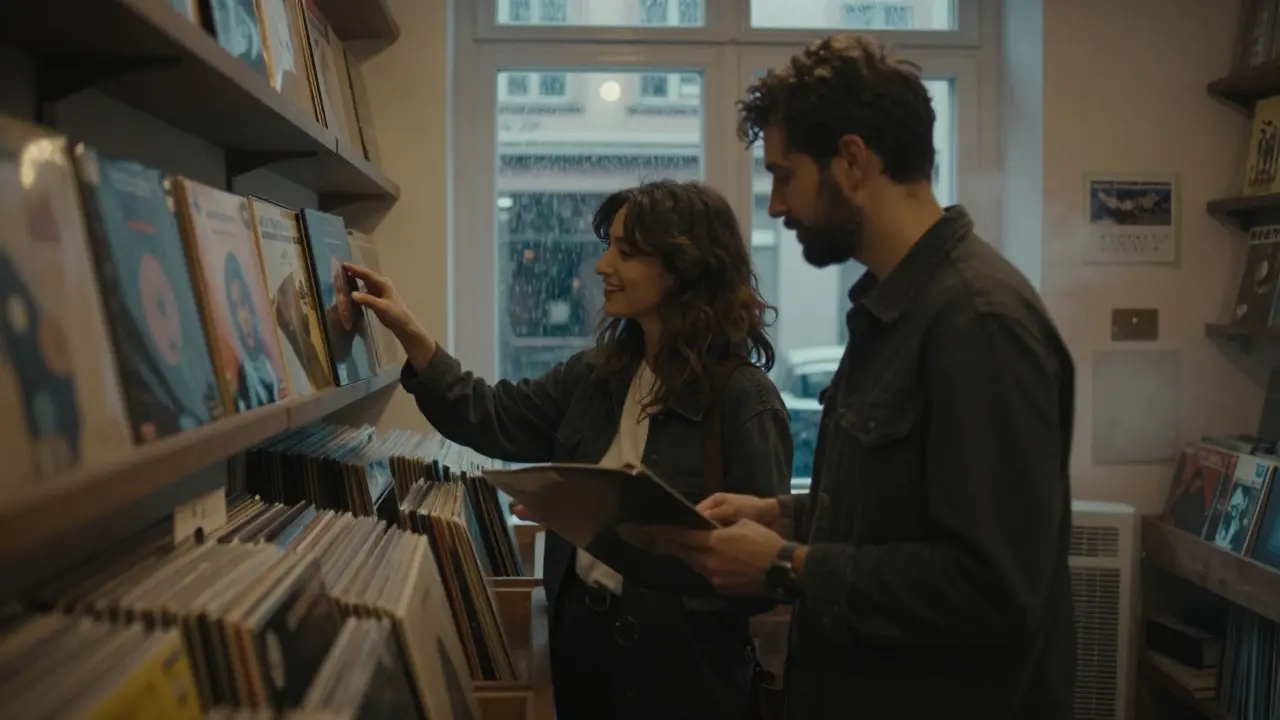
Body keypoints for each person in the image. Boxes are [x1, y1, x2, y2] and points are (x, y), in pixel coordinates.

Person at [646, 34, 1077, 719]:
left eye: (785, 175)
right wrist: (781, 514)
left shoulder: (977, 322)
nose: (777, 206)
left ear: (850, 160)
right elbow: (904, 511)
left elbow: (996, 587)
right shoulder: (892, 310)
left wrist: (787, 563)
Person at [345, 180, 794, 720]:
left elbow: (760, 579)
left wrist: (640, 541)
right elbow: (493, 416)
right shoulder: (598, 373)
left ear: (684, 266)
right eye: (608, 246)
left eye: (625, 252)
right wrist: (408, 329)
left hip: (683, 675)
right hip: (581, 646)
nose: (602, 264)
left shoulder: (744, 399)